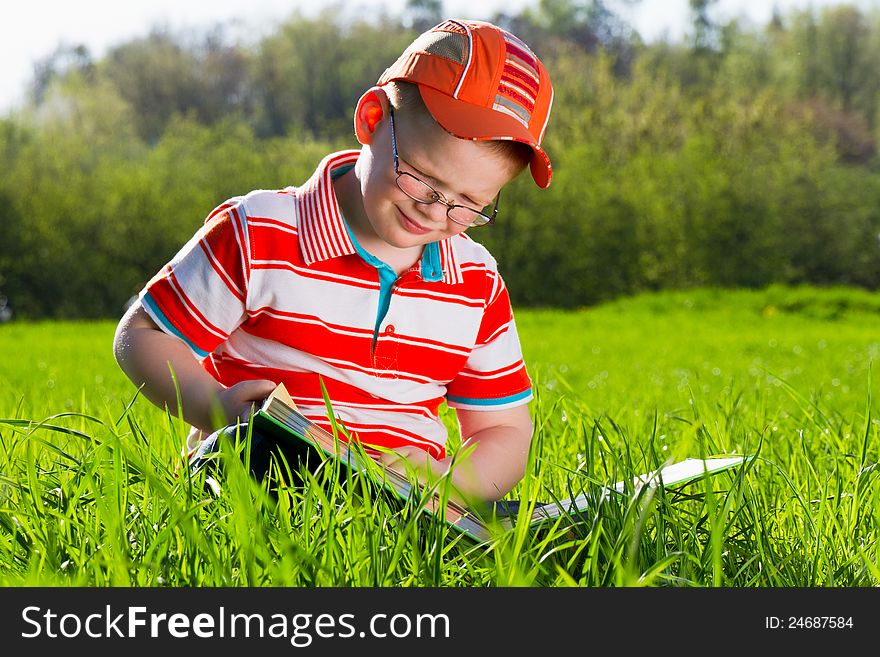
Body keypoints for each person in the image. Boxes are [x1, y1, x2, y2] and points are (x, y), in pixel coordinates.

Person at [113, 18, 554, 503]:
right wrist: (211, 404)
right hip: (258, 481)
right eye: (421, 178)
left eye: (470, 204)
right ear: (372, 120)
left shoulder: (476, 284)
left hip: (401, 508)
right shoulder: (261, 231)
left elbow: (506, 430)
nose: (434, 211)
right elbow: (142, 337)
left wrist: (451, 484)